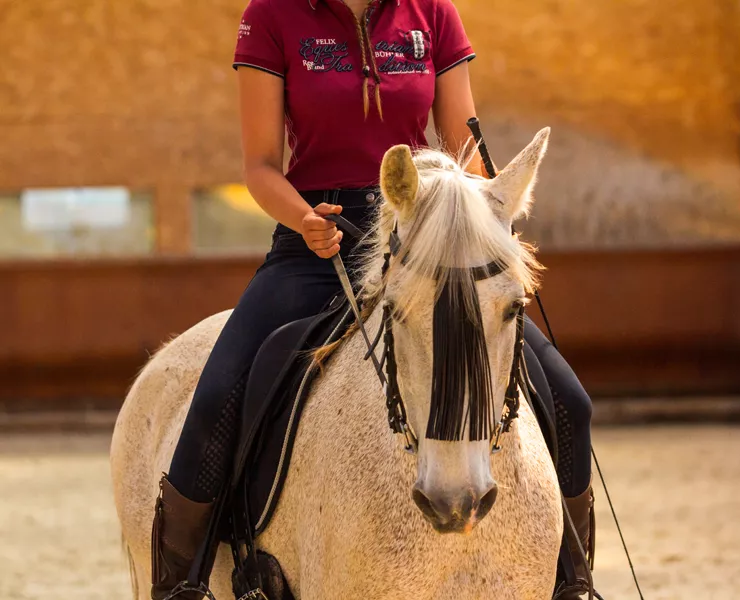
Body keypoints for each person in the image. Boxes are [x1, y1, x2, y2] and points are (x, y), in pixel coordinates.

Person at [150, 1, 596, 599]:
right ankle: (181, 584)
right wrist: (304, 218)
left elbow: (466, 147)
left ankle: (573, 582)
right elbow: (259, 167)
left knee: (569, 399)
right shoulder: (272, 15)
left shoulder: (432, 12)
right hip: (317, 238)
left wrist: (488, 214)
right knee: (216, 395)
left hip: (424, 234)